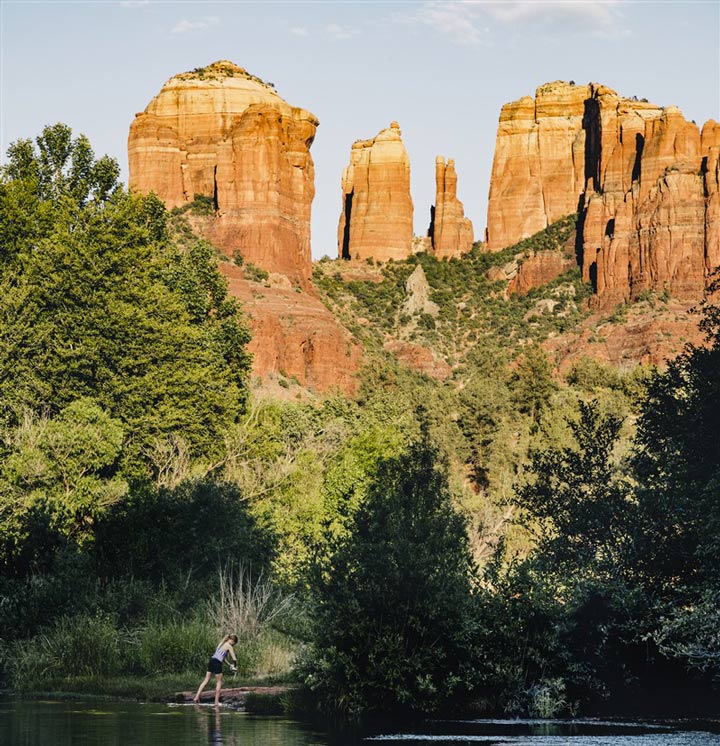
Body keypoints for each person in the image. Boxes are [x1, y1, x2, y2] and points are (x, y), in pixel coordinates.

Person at [193, 634, 238, 706]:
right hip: (217, 663)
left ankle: (196, 697)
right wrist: (235, 666)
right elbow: (234, 659)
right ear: (232, 641)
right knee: (219, 682)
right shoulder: (229, 646)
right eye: (234, 644)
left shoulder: (221, 644)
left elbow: (222, 658)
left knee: (206, 680)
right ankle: (216, 702)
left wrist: (230, 665)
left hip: (212, 660)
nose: (233, 646)